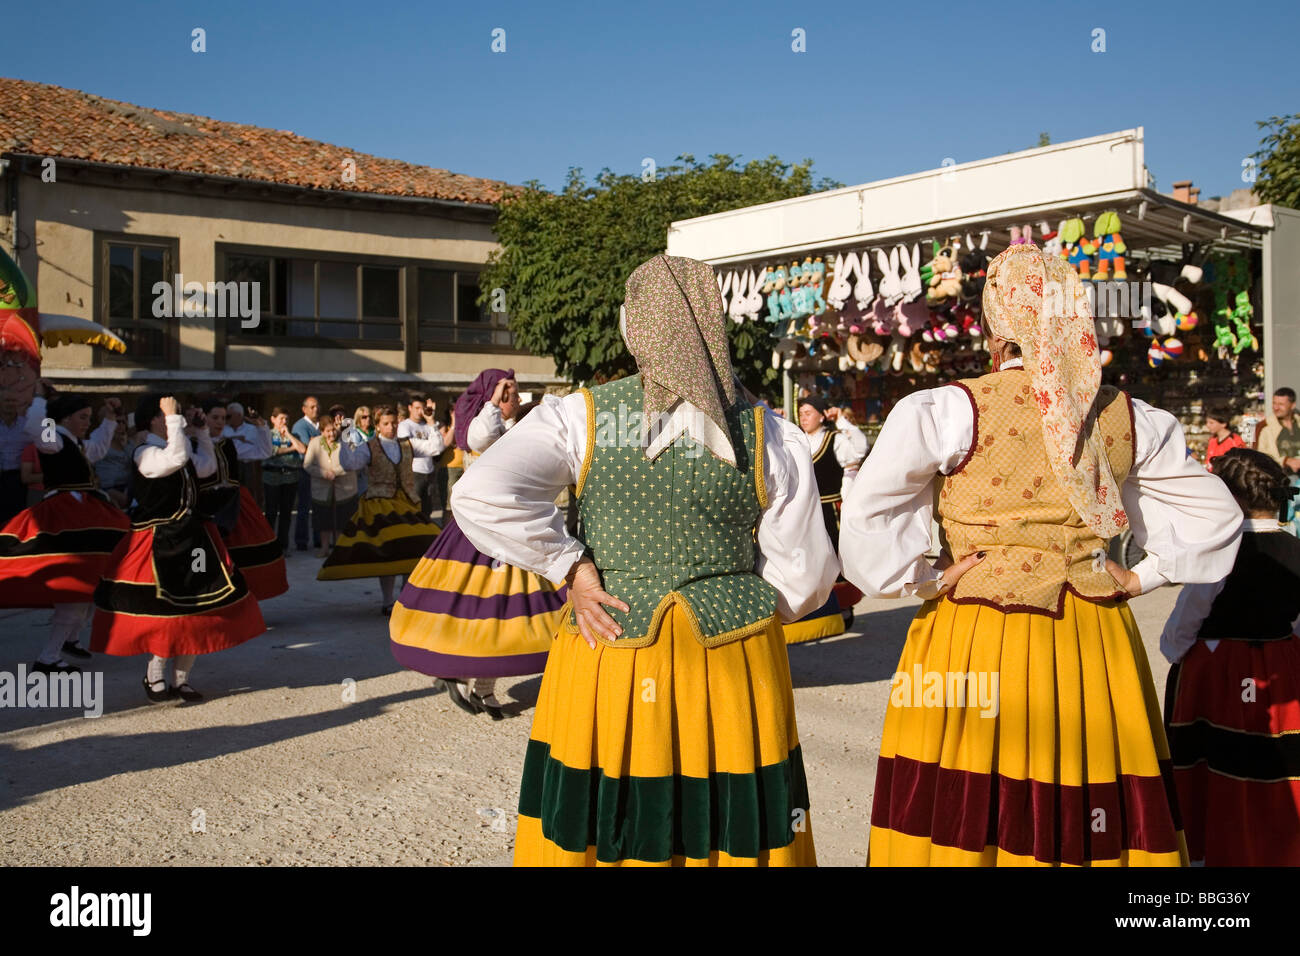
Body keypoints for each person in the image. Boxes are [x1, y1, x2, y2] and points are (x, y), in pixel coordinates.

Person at [841, 243, 1243, 867]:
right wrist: (1142, 578)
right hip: (1091, 630)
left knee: (972, 796)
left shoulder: (946, 410)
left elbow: (869, 515)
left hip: (974, 625)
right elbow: (1217, 518)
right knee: (1084, 791)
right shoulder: (1129, 416)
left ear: (995, 326)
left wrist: (919, 578)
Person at [451, 255, 837, 865]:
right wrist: (740, 605)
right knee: (732, 815)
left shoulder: (580, 415)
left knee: (612, 812)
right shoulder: (770, 432)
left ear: (634, 330)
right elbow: (808, 579)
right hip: (734, 660)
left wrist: (569, 566)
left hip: (610, 641)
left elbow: (478, 493)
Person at [390, 371, 563, 720]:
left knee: (499, 616)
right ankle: (457, 672)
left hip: (511, 529)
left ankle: (481, 687)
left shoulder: (509, 427)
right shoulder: (483, 427)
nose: (514, 396)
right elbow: (482, 435)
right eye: (509, 391)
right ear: (495, 397)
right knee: (482, 612)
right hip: (483, 533)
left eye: (512, 391)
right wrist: (493, 397)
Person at [1160, 448, 1300, 866]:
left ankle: (1213, 848)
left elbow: (1187, 619)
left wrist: (1180, 654)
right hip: (1280, 666)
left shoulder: (1221, 549)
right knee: (1272, 760)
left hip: (1217, 673)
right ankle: (1278, 844)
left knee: (1213, 759)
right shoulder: (1296, 548)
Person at [92, 395, 266, 702]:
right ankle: (155, 672)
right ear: (155, 420)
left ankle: (182, 679)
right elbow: (174, 459)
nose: (178, 419)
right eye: (168, 416)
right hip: (161, 543)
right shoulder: (145, 453)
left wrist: (201, 434)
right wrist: (176, 421)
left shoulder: (177, 447)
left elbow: (206, 467)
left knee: (199, 604)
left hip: (194, 540)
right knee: (166, 610)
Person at [0, 387, 130, 672]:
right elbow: (36, 426)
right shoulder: (54, 438)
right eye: (82, 417)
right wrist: (38, 398)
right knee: (78, 584)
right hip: (67, 515)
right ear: (67, 418)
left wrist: (108, 419)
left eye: (87, 417)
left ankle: (67, 641)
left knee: (89, 581)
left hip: (83, 513)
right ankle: (50, 655)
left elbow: (97, 448)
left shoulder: (74, 442)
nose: (87, 422)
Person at [317, 405, 447, 615]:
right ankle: (388, 601)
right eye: (386, 424)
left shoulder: (408, 444)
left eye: (394, 423)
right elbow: (349, 464)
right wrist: (342, 437)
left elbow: (436, 447)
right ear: (377, 426)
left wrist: (431, 422)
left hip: (407, 505)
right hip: (381, 507)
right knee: (390, 554)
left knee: (416, 548)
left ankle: (406, 595)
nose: (391, 427)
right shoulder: (368, 447)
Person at [780, 394, 869, 643]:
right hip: (806, 511)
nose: (804, 418)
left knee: (836, 557)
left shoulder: (835, 439)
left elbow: (860, 449)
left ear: (821, 414)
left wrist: (841, 420)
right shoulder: (796, 439)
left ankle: (844, 605)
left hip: (830, 509)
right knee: (811, 559)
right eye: (802, 413)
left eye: (809, 412)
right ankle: (817, 609)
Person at [199, 399, 288, 601]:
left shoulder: (229, 444)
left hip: (232, 505)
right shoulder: (193, 444)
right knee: (204, 558)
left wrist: (262, 427)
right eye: (216, 418)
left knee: (245, 554)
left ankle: (242, 599)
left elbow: (263, 452)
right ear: (203, 418)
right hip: (206, 507)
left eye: (223, 418)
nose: (220, 422)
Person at [303, 416, 358, 558]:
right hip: (322, 489)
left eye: (333, 430)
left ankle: (340, 548)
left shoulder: (345, 441)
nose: (332, 434)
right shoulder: (314, 443)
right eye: (328, 431)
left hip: (343, 488)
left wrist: (336, 472)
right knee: (323, 520)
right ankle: (324, 548)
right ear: (321, 431)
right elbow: (307, 465)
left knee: (341, 519)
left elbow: (352, 462)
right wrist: (323, 473)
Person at [1255, 387, 1300, 534]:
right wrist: (1285, 460)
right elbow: (1260, 457)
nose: (1276, 407)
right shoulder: (1264, 427)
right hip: (1281, 481)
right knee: (1286, 522)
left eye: (1281, 404)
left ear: (1292, 405)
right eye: (1274, 403)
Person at [263, 407, 307, 552]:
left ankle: (283, 545)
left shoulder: (293, 435)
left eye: (286, 419)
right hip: (272, 478)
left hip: (290, 478)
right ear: (273, 419)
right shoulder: (267, 435)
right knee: (271, 513)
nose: (284, 421)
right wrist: (291, 449)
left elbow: (302, 449)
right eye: (281, 418)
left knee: (286, 513)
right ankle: (269, 546)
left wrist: (288, 435)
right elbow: (271, 451)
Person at [223, 402, 272, 509]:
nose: (226, 419)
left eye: (229, 416)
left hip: (247, 469)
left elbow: (266, 451)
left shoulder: (253, 429)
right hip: (227, 469)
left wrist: (260, 424)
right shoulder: (222, 429)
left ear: (239, 415)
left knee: (248, 502)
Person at [397, 395, 437, 518]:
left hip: (429, 471)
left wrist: (431, 416)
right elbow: (409, 447)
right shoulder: (405, 425)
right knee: (413, 509)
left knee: (427, 510)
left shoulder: (427, 425)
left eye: (422, 408)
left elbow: (438, 446)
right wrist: (430, 446)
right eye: (417, 408)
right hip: (414, 472)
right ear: (410, 408)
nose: (420, 411)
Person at [292, 396, 321, 551]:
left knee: (319, 506)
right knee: (304, 506)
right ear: (304, 409)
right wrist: (317, 442)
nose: (315, 409)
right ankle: (301, 540)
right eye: (311, 407)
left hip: (321, 469)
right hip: (306, 469)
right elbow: (305, 447)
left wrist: (315, 441)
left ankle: (318, 539)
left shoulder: (320, 425)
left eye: (316, 406)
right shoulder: (300, 426)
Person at [0, 392, 28, 525]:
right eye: (7, 400)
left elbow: (48, 442)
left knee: (15, 517)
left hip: (17, 478)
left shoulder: (27, 425)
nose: (10, 404)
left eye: (13, 400)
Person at [1203, 405, 1245, 470]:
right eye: (1207, 422)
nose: (1207, 425)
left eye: (1211, 423)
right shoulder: (1212, 440)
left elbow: (1239, 464)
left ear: (1223, 424)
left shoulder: (1235, 441)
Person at [19, 440, 43, 506]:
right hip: (38, 493)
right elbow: (25, 478)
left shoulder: (64, 446)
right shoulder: (31, 448)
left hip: (60, 493)